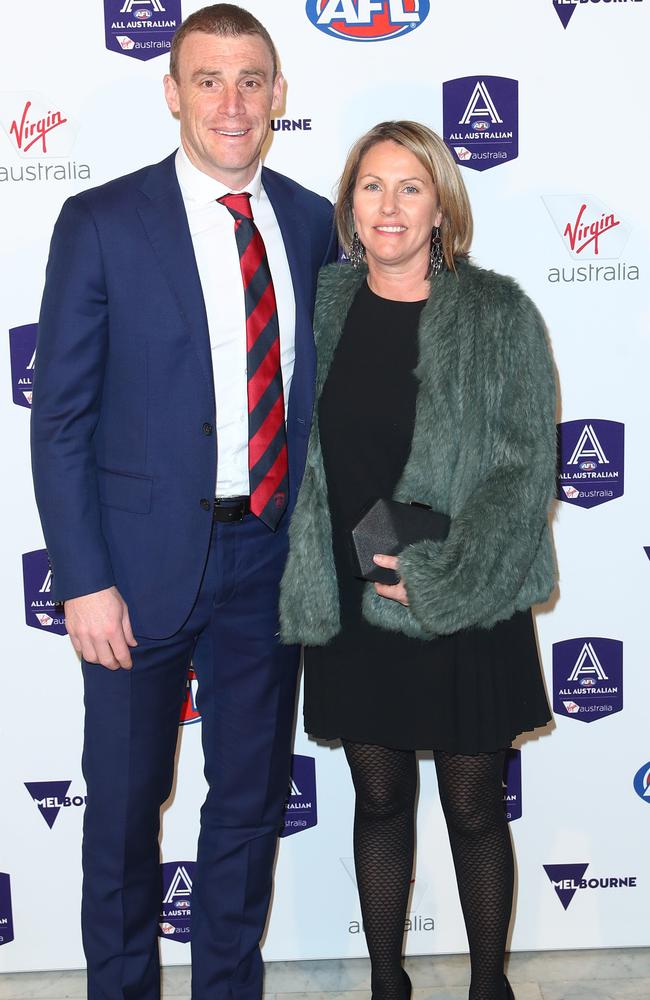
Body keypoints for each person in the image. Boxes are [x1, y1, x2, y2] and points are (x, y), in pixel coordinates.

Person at [31, 5, 335, 998]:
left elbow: (328, 408)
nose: (231, 101)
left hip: (266, 564)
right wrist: (82, 580)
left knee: (245, 805)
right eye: (207, 79)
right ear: (173, 93)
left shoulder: (308, 222)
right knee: (122, 807)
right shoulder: (103, 223)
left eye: (251, 79)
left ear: (279, 95)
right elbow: (61, 419)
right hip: (133, 570)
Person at [280, 121, 557, 1000]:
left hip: (467, 598)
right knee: (381, 798)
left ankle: (487, 987)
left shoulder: (498, 312)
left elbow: (524, 470)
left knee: (474, 804)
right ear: (349, 205)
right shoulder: (319, 305)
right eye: (372, 186)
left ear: (441, 204)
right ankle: (386, 985)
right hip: (354, 606)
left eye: (410, 187)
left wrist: (449, 575)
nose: (389, 206)